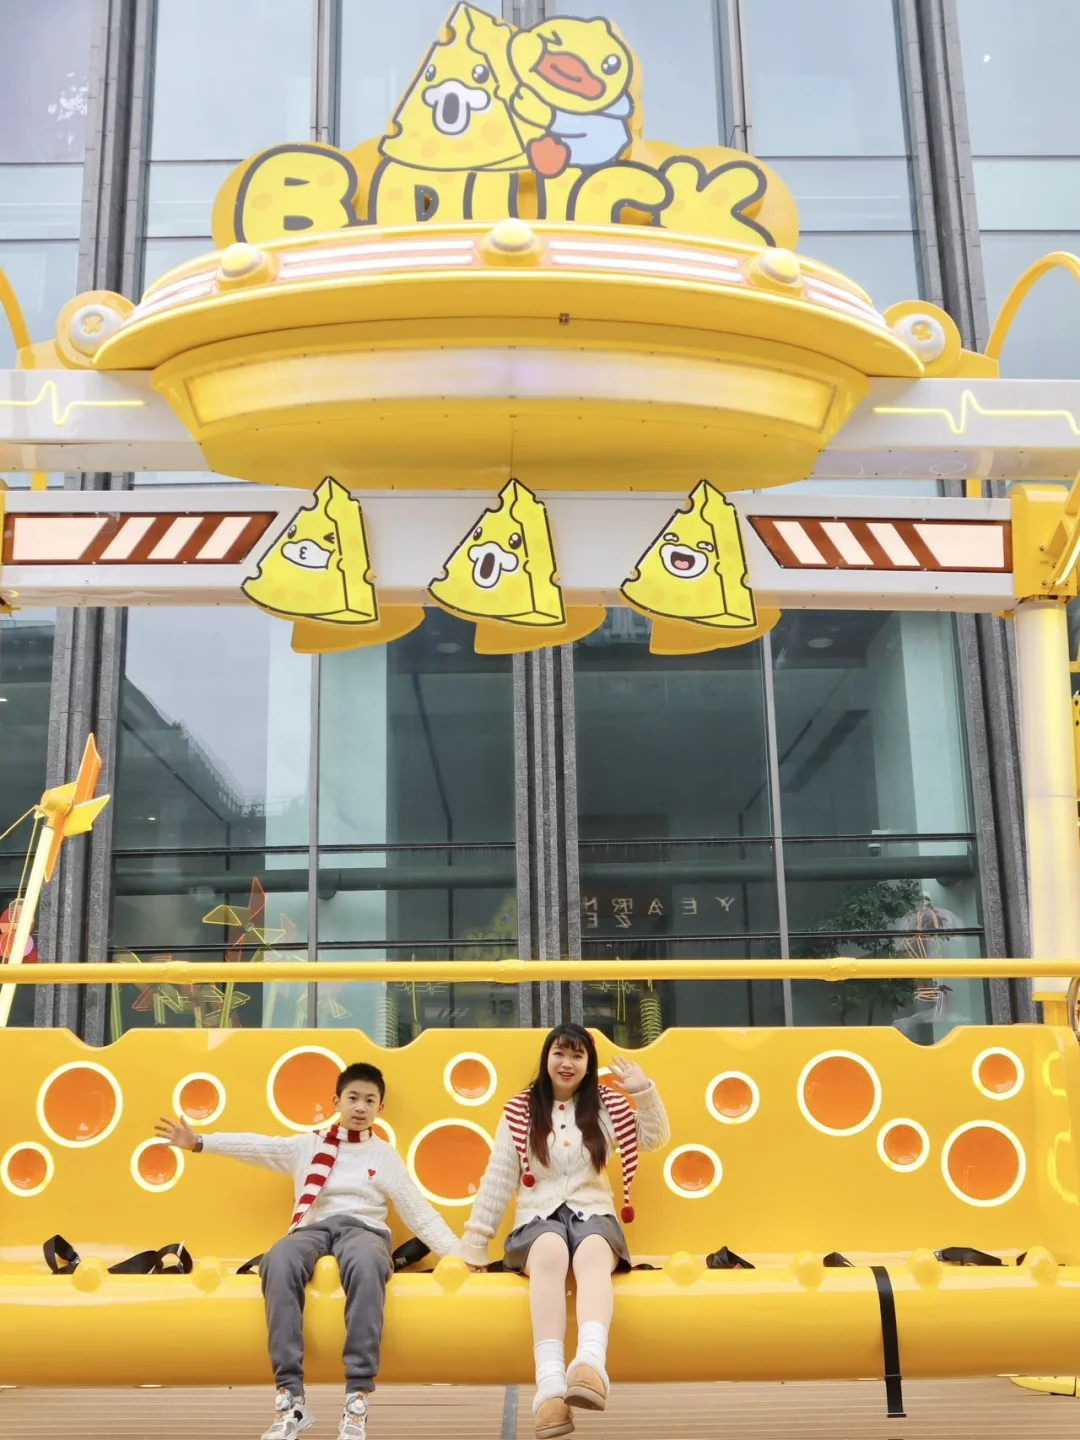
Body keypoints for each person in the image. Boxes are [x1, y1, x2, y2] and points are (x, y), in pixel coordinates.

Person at [154, 1061, 460, 1440]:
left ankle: (357, 1399)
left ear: (380, 1108)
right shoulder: (308, 1146)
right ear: (336, 1101)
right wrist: (199, 1142)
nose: (360, 1107)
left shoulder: (384, 1156)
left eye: (369, 1100)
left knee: (368, 1264)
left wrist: (461, 1257)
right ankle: (290, 1399)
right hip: (312, 1229)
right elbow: (257, 1146)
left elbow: (419, 1213)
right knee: (278, 1259)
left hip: (363, 1230)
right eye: (352, 1098)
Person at [460, 1025, 669, 1438]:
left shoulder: (607, 1106)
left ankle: (590, 1364)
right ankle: (550, 1386)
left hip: (594, 1215)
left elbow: (655, 1138)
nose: (567, 1063)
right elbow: (499, 1178)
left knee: (592, 1251)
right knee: (551, 1249)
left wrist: (644, 1092)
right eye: (559, 1053)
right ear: (546, 1058)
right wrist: (475, 1242)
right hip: (537, 1220)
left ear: (588, 1064)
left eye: (577, 1056)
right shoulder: (519, 1111)